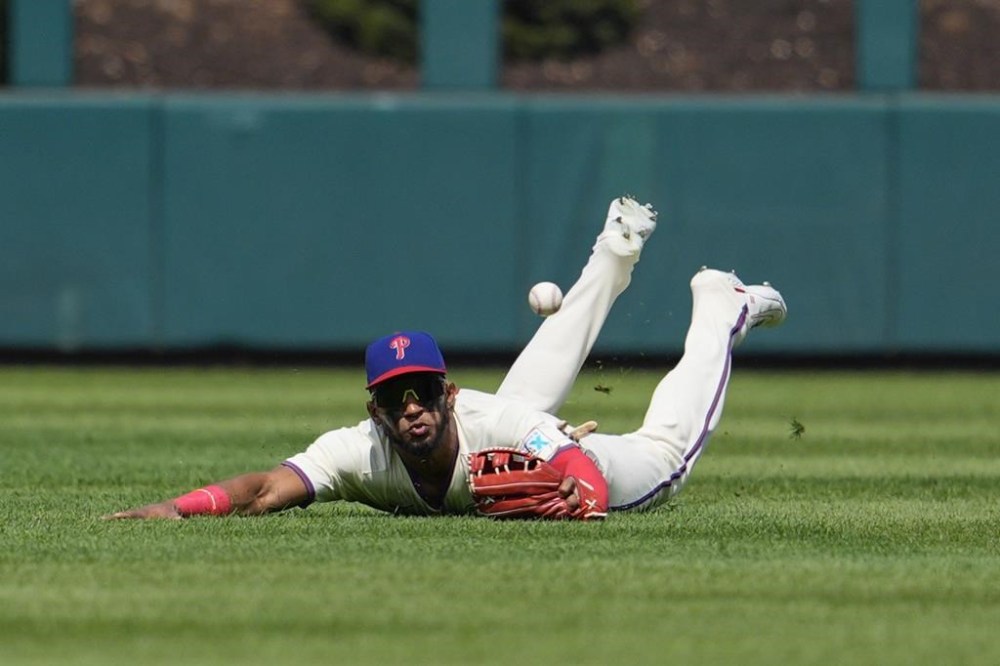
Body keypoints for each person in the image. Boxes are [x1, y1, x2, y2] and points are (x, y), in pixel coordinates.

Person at [105, 195, 786, 520]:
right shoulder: (359, 452)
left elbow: (581, 473)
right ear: (374, 409)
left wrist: (579, 497)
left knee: (667, 454)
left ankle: (721, 303)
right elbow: (264, 488)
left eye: (424, 391)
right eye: (397, 397)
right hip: (509, 427)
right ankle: (612, 254)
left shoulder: (499, 425)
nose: (413, 408)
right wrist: (181, 507)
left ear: (447, 392)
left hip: (575, 456)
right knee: (525, 396)